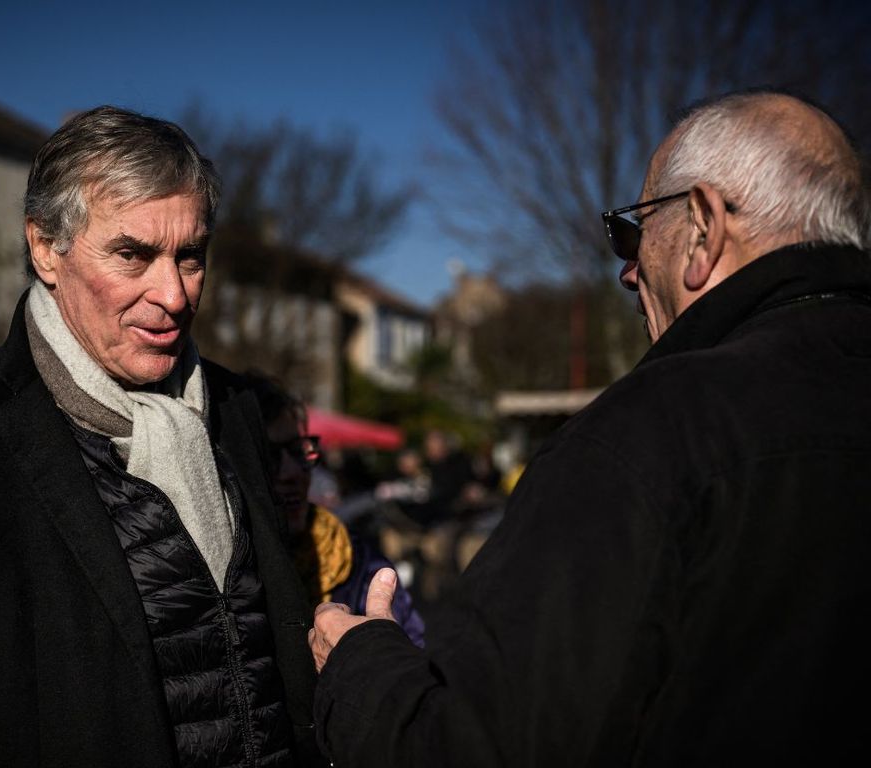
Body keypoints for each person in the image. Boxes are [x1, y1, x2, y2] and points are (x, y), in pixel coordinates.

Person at [308, 90, 871, 766]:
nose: (627, 271)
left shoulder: (652, 433)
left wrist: (360, 666)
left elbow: (471, 749)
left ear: (702, 227)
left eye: (631, 233)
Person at [0, 106, 322, 768]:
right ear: (46, 248)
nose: (171, 293)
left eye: (189, 256)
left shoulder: (238, 409)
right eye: (132, 255)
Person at [246, 371, 425, 647]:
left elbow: (412, 662)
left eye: (298, 450)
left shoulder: (358, 562)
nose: (293, 471)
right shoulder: (214, 575)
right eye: (268, 456)